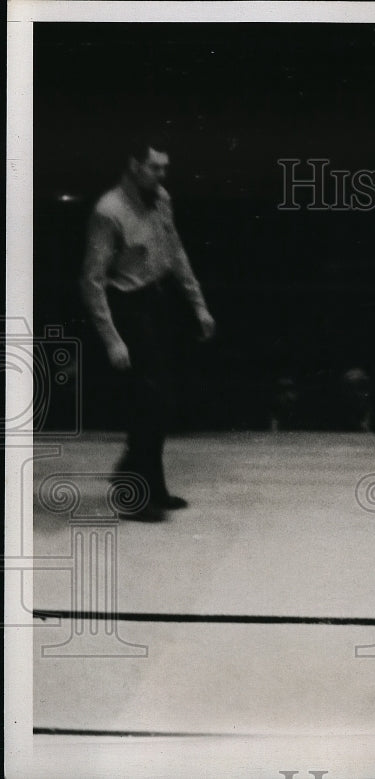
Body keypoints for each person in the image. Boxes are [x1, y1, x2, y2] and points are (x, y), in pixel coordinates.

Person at [80, 132, 216, 518]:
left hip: (157, 302)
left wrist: (199, 306)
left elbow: (176, 254)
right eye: (155, 167)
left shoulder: (161, 200)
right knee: (150, 402)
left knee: (161, 402)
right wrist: (111, 339)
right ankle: (132, 489)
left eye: (165, 167)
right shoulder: (109, 210)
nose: (162, 174)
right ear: (134, 165)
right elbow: (91, 279)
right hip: (128, 307)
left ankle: (151, 487)